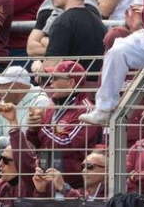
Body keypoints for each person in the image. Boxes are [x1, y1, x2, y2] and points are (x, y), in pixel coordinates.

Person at [25, 60, 99, 189]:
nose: (50, 82)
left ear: (71, 83)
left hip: (73, 186)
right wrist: (32, 130)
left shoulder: (86, 110)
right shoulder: (51, 108)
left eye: (55, 78)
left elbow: (65, 144)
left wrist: (41, 128)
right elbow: (40, 146)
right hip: (46, 181)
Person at [37, 0, 106, 73]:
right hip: (94, 86)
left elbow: (50, 71)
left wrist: (38, 68)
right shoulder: (99, 23)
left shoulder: (62, 23)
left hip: (70, 86)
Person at [0, 66, 52, 151]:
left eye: (4, 85)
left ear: (19, 85)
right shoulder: (3, 103)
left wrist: (0, 142)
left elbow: (28, 141)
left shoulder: (41, 101)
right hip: (7, 160)